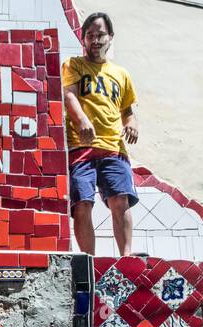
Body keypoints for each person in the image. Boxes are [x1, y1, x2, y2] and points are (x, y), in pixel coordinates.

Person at [62, 12, 139, 256]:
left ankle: (126, 256)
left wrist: (132, 124)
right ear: (83, 39)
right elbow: (69, 95)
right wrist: (82, 119)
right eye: (90, 36)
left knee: (120, 200)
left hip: (114, 147)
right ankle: (88, 260)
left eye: (100, 35)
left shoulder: (121, 74)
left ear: (110, 37)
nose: (95, 40)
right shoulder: (73, 64)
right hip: (80, 146)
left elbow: (127, 111)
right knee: (82, 203)